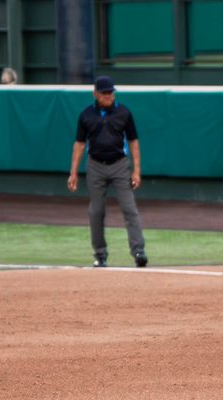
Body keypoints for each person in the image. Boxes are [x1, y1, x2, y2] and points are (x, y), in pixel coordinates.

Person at [67, 76, 147, 268]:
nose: (109, 96)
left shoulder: (124, 112)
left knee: (129, 208)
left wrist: (136, 170)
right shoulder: (86, 115)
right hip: (95, 166)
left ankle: (138, 251)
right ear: (95, 93)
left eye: (111, 92)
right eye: (104, 93)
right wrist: (73, 172)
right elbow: (79, 144)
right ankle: (100, 254)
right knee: (96, 211)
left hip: (120, 165)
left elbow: (133, 141)